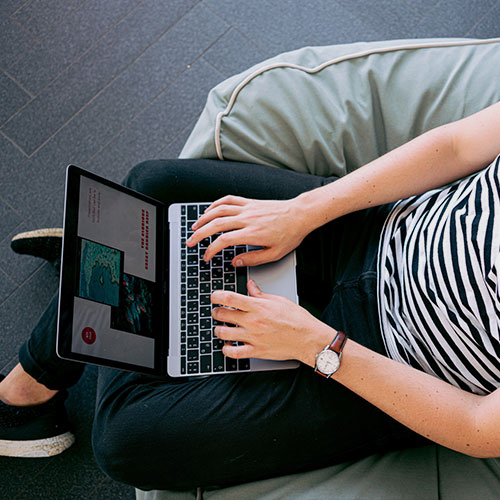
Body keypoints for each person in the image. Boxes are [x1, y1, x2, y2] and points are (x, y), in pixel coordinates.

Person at [1, 101, 499, 491]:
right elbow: (458, 146)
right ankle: (107, 275)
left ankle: (90, 286)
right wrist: (305, 210)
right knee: (154, 187)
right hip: (378, 228)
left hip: (389, 359)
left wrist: (316, 345)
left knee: (125, 440)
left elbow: (477, 428)